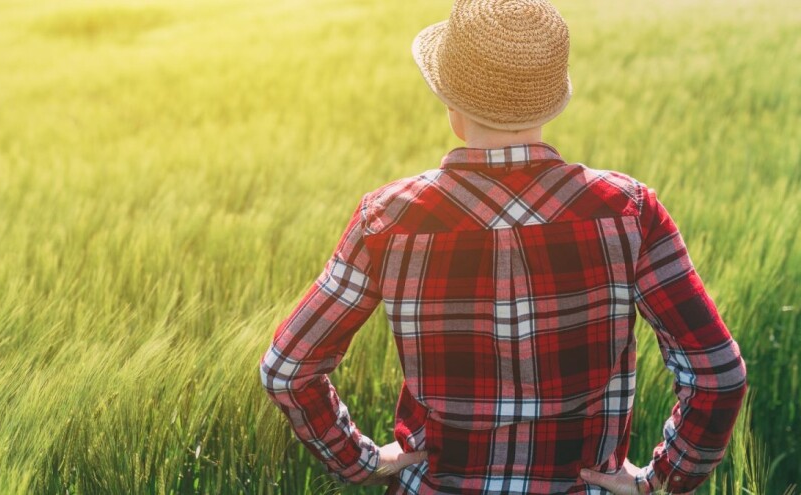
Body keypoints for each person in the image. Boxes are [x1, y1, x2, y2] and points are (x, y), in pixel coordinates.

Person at [259, 0, 748, 493]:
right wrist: (660, 479)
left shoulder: (388, 219)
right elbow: (719, 375)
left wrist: (361, 463)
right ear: (553, 101)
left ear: (451, 104)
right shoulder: (629, 212)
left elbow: (287, 370)